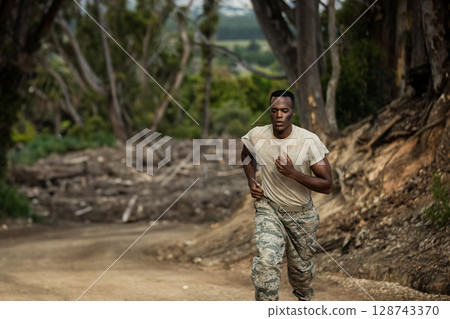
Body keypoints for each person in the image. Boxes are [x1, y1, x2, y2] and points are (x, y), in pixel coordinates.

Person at [241, 90, 333, 301]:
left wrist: (294, 174)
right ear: (269, 112)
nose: (279, 115)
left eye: (284, 111)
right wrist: (251, 180)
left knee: (301, 274)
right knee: (267, 262)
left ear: (293, 112)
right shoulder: (257, 135)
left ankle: (303, 300)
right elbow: (246, 155)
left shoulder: (308, 141)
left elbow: (327, 185)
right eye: (274, 111)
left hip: (302, 216)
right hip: (269, 208)